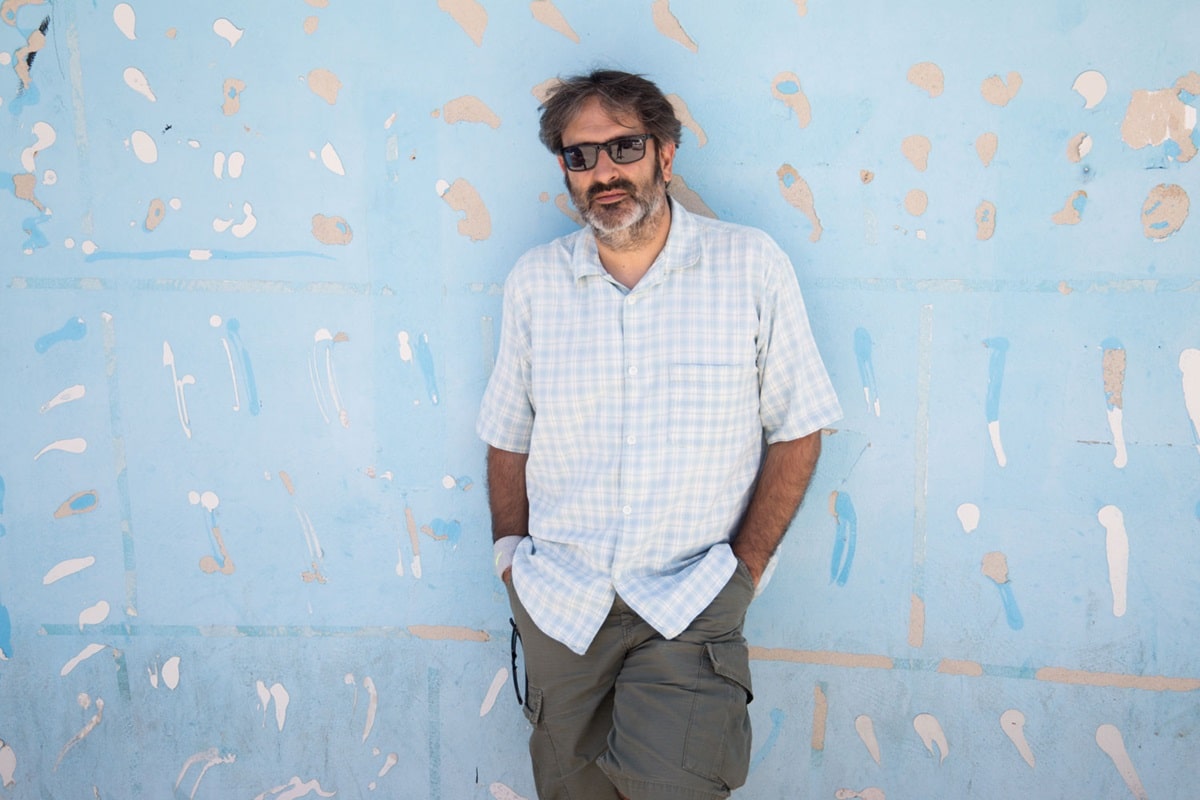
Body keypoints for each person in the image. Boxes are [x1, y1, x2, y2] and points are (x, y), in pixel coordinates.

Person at [477, 69, 842, 800]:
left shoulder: (749, 266)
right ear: (565, 170)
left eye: (625, 147)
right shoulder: (534, 283)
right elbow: (508, 436)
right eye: (581, 155)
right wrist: (511, 562)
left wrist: (742, 572)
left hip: (691, 600)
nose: (604, 171)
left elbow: (800, 428)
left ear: (665, 155)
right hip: (560, 606)